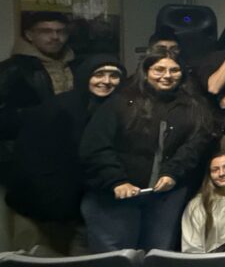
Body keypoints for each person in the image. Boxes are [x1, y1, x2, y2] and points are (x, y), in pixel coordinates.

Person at [79, 50, 214, 251]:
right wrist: (117, 181)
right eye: (159, 69)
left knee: (156, 255)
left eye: (174, 70)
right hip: (115, 196)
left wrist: (172, 173)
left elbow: (195, 146)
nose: (167, 75)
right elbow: (95, 146)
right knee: (115, 258)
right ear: (146, 72)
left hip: (165, 196)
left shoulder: (195, 106)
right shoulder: (121, 101)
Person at [5, 55, 124, 255]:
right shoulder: (58, 108)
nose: (106, 81)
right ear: (85, 76)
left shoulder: (118, 108)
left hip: (86, 204)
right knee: (46, 258)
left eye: (114, 75)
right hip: (47, 203)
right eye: (99, 74)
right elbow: (32, 157)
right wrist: (54, 202)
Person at [1, 11, 75, 183]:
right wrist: (32, 116)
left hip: (69, 151)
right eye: (46, 31)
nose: (55, 37)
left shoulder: (76, 65)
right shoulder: (11, 69)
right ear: (29, 35)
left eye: (61, 31)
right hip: (26, 156)